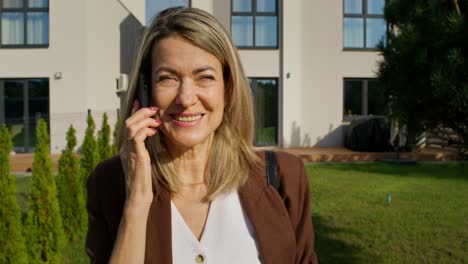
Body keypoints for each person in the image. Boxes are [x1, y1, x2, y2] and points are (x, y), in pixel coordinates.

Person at [85, 7, 318, 264]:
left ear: (228, 88)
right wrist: (137, 203)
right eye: (167, 78)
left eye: (204, 77)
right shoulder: (110, 183)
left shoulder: (284, 176)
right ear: (146, 90)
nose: (186, 99)